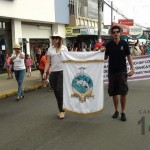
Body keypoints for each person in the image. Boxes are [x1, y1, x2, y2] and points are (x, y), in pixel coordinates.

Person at [103, 25, 134, 121]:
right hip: (112, 72)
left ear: (120, 33)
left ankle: (123, 112)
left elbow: (129, 57)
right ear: (112, 34)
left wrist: (132, 68)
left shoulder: (124, 44)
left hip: (122, 72)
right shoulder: (108, 44)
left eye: (117, 32)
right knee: (114, 92)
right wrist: (102, 52)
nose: (115, 34)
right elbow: (105, 58)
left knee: (123, 92)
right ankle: (116, 110)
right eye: (114, 32)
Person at [43, 32, 68, 119]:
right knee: (56, 92)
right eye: (53, 38)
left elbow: (68, 59)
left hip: (62, 70)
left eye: (56, 38)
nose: (54, 39)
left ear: (60, 39)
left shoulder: (64, 48)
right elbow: (47, 61)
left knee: (59, 89)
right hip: (53, 71)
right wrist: (45, 72)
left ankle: (63, 110)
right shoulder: (50, 49)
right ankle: (60, 109)